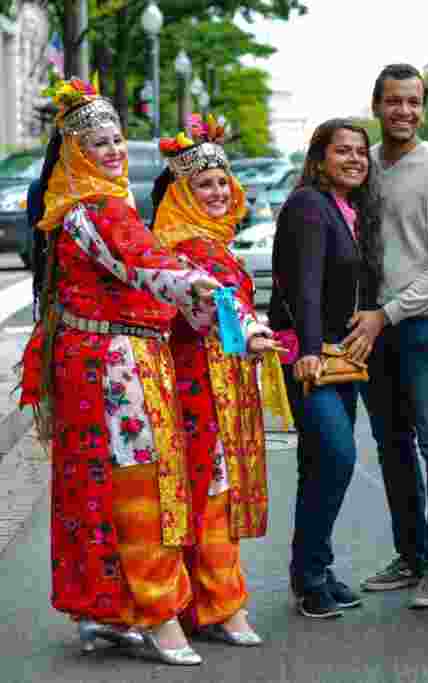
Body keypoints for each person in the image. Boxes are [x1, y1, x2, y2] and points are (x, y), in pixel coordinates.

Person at [17, 78, 221, 666]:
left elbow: (148, 262)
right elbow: (144, 264)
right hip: (114, 370)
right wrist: (191, 285)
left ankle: (104, 611)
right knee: (141, 483)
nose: (113, 151)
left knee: (98, 485)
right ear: (77, 152)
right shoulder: (95, 211)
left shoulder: (87, 210)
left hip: (112, 363)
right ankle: (156, 614)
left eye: (117, 141)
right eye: (99, 143)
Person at [151, 113, 284, 646]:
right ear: (181, 192)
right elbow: (222, 306)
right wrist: (250, 331)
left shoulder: (214, 242)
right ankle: (221, 605)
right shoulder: (187, 248)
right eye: (203, 183)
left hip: (223, 378)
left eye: (221, 181)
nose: (217, 192)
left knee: (209, 491)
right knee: (209, 490)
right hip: (197, 381)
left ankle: (201, 602)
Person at [347, 63, 428, 609]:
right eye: (394, 101)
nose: (404, 111)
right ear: (376, 105)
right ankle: (410, 554)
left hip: (427, 326)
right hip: (372, 327)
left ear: (423, 107)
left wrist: (389, 312)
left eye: (414, 102)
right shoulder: (361, 166)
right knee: (390, 445)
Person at [268, 117, 380, 618]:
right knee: (335, 456)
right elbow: (304, 284)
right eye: (343, 151)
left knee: (320, 462)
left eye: (361, 151)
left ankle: (312, 570)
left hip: (339, 355)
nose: (355, 159)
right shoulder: (309, 206)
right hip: (309, 353)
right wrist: (311, 347)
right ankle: (311, 572)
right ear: (319, 159)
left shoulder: (345, 208)